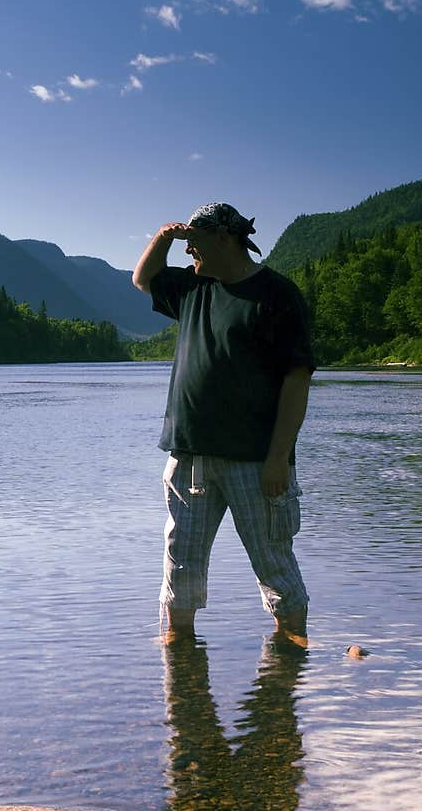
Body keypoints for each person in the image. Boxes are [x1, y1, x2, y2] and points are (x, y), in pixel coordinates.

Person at [132, 202, 315, 644]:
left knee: (274, 566)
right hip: (189, 456)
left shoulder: (277, 295)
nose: (189, 247)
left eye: (196, 238)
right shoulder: (192, 288)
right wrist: (164, 236)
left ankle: (289, 672)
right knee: (181, 569)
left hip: (255, 461)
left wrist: (278, 458)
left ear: (225, 237)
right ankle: (183, 678)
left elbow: (296, 381)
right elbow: (143, 279)